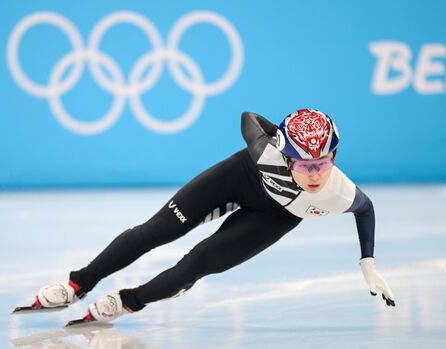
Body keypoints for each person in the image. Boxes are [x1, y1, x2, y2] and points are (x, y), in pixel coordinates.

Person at [30, 109, 395, 323]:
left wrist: (367, 262)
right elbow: (248, 117)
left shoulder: (339, 190)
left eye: (323, 163)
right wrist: (276, 133)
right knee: (157, 230)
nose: (316, 174)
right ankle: (78, 284)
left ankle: (128, 301)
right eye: (305, 164)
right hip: (240, 178)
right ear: (285, 158)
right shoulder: (263, 152)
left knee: (198, 263)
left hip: (276, 216)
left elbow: (365, 209)